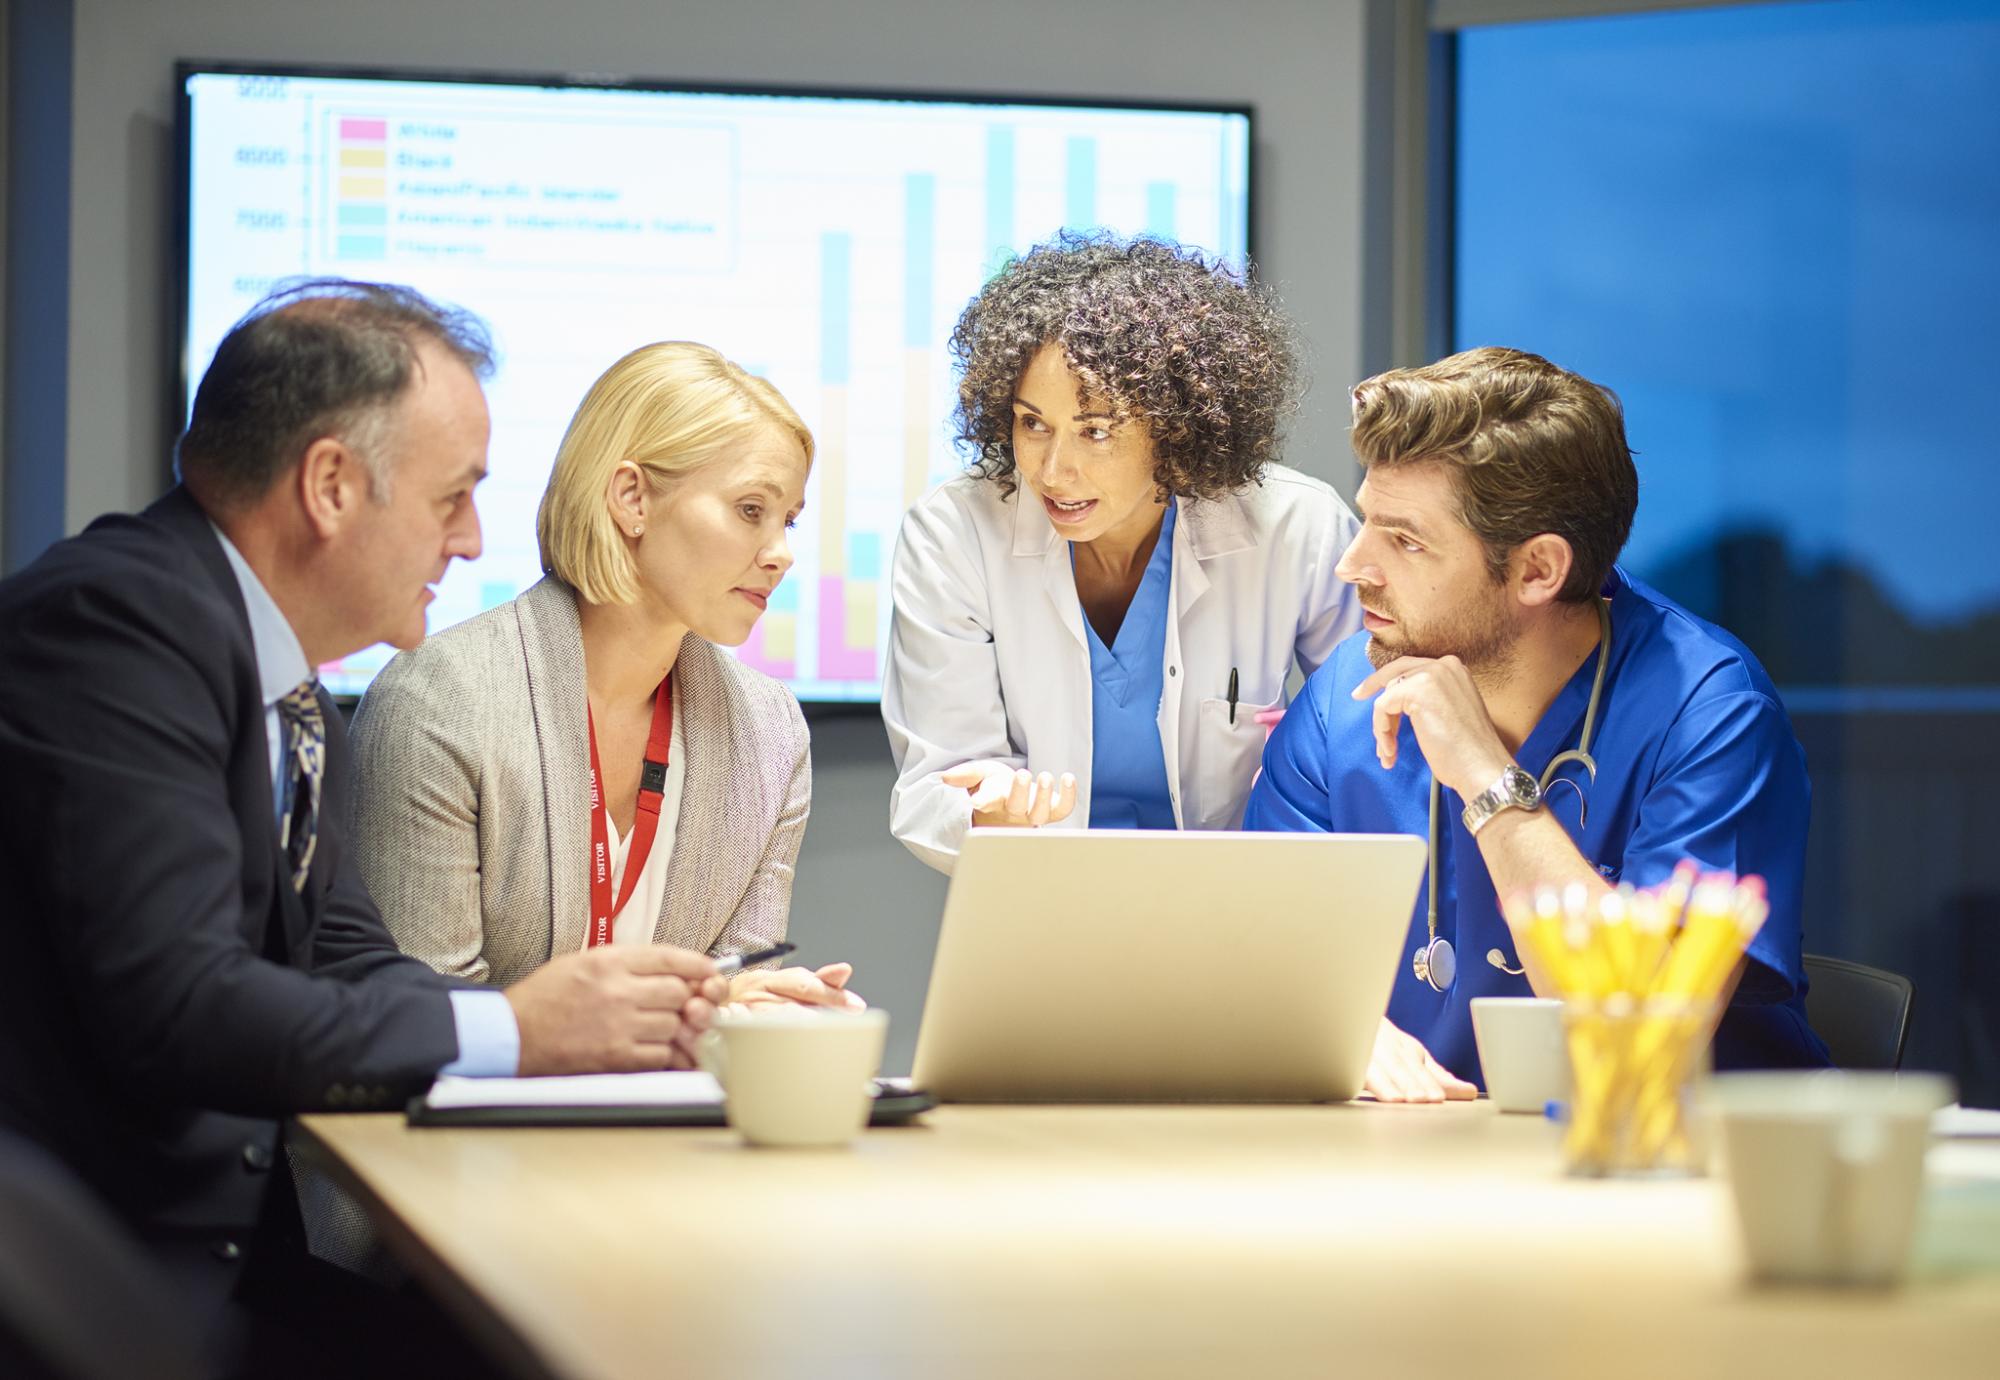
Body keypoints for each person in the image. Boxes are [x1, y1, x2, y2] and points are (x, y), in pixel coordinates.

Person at [0, 281, 729, 1369]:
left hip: (211, 1258)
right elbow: (183, 1008)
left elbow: (349, 960)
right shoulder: (116, 628)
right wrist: (518, 1032)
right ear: (331, 485)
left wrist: (592, 1031)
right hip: (106, 1282)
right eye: (452, 498)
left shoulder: (282, 680)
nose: (474, 541)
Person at [1244, 347, 1830, 1102]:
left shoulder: (1710, 713)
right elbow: (1263, 956)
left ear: (1538, 571)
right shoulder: (1341, 704)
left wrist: (1488, 780)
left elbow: (1638, 1029)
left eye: (1406, 540)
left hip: (1679, 1177)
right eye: (1365, 525)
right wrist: (1343, 1035)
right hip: (1423, 1167)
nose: (1352, 566)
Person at [348, 342, 860, 1010]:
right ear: (631, 498)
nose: (782, 554)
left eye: (788, 521)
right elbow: (419, 1022)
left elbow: (725, 983)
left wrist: (750, 1007)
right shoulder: (439, 702)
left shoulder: (770, 731)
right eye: (750, 510)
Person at [884, 233, 1360, 872]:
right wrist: (986, 811)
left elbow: (1372, 738)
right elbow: (934, 781)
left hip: (1238, 901)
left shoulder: (1294, 527)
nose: (1055, 470)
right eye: (1033, 424)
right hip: (1045, 901)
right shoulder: (955, 533)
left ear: (1176, 426)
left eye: (1097, 431)